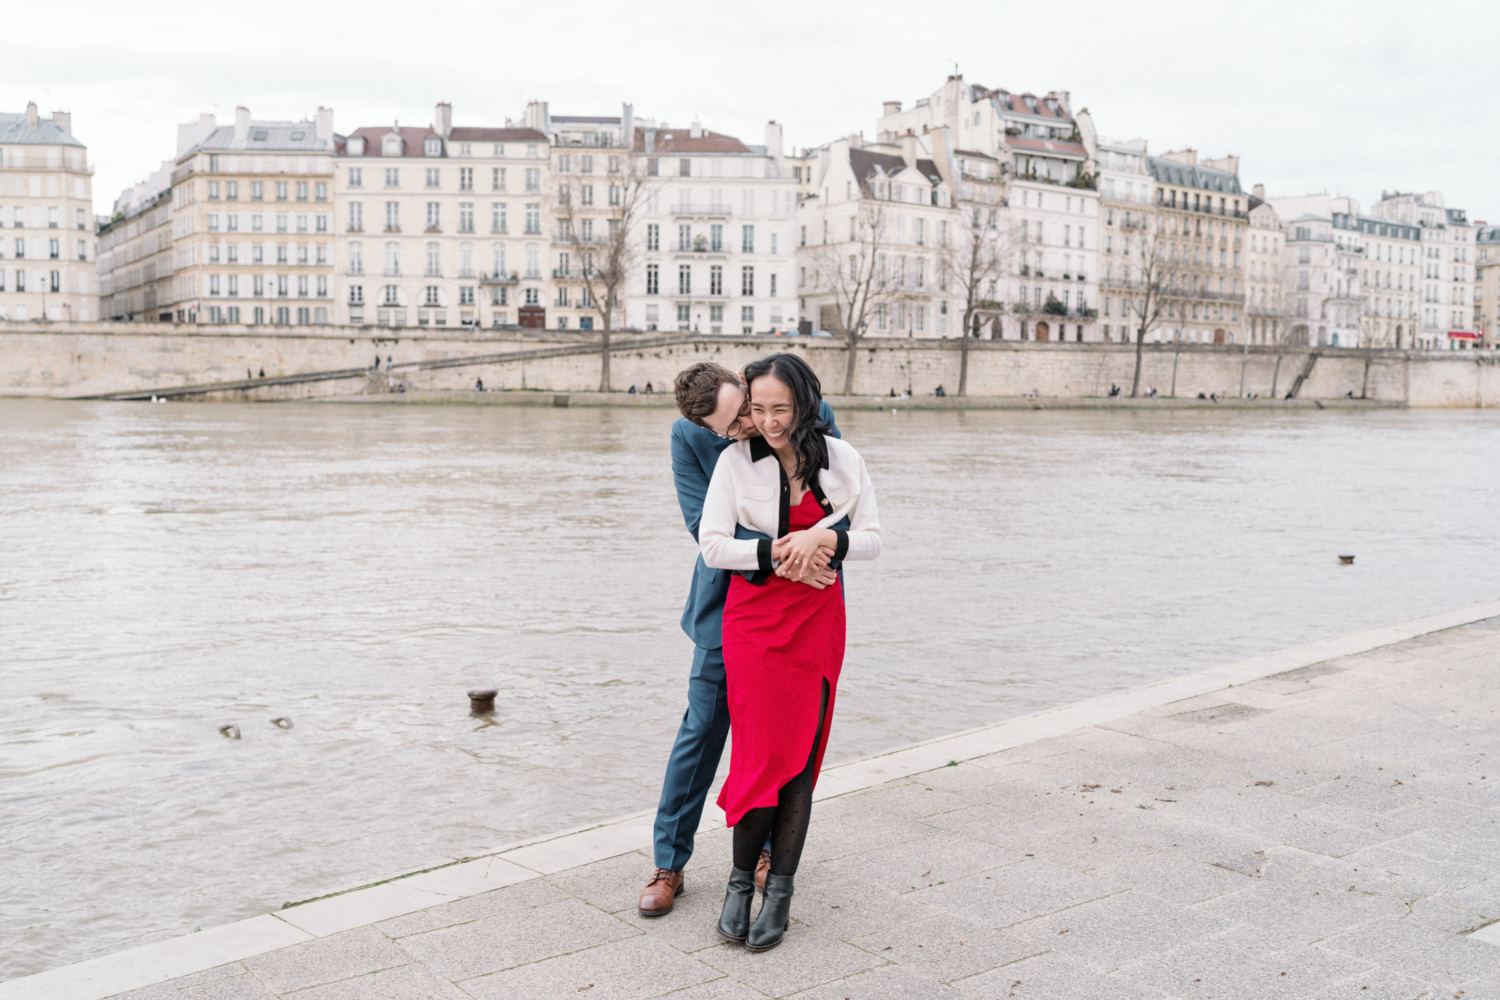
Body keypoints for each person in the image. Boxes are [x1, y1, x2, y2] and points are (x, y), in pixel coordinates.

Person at [638, 362, 843, 919]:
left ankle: (768, 854)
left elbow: (838, 505)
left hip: (802, 607)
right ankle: (668, 863)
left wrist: (809, 552)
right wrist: (781, 556)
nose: (749, 428)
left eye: (746, 413)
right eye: (729, 427)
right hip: (729, 602)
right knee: (701, 730)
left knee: (785, 732)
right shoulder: (689, 435)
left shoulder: (806, 410)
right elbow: (700, 526)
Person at [699, 352, 881, 952]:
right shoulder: (733, 461)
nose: (770, 421)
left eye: (781, 408)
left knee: (801, 758)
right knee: (758, 756)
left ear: (805, 403)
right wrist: (781, 552)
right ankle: (737, 887)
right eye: (758, 409)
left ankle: (779, 891)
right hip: (752, 625)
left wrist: (826, 535)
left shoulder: (845, 460)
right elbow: (713, 547)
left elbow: (874, 541)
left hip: (817, 623)